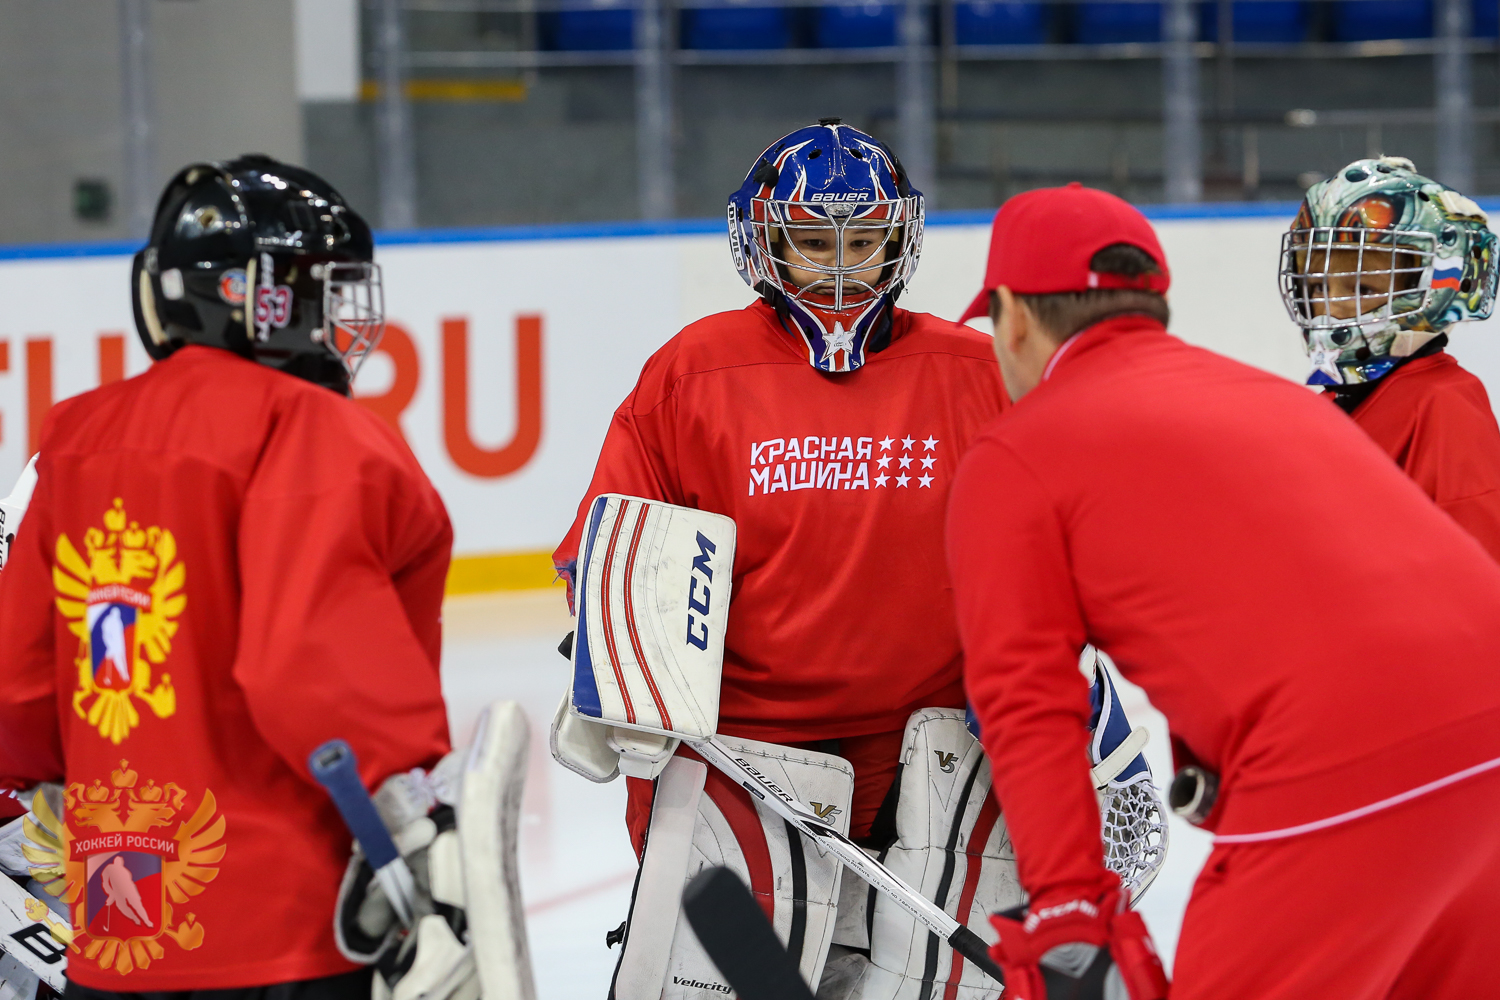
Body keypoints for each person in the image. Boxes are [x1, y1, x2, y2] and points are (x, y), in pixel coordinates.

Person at [947, 182, 1500, 1000]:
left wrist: (1069, 910)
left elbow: (1027, 701)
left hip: (1333, 778)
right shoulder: (1281, 401)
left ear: (1012, 315)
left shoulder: (1014, 458)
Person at [551, 120, 1012, 998]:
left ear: (898, 242)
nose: (840, 265)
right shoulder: (691, 373)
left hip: (940, 770)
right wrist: (604, 656)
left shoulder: (977, 373)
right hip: (745, 770)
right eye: (811, 239)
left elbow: (1053, 554)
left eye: (864, 238)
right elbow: (614, 556)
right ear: (765, 244)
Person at [0, 156, 453, 999]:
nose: (332, 315)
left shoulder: (72, 438)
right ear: (249, 296)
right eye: (314, 288)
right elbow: (308, 667)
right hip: (288, 921)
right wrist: (417, 817)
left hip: (120, 917)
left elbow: (20, 694)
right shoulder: (318, 430)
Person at [1281, 155, 1500, 559]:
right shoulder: (1335, 401)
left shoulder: (1444, 406)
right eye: (1315, 284)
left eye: (1362, 287)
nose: (1333, 306)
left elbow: (1478, 573)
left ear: (1433, 290)